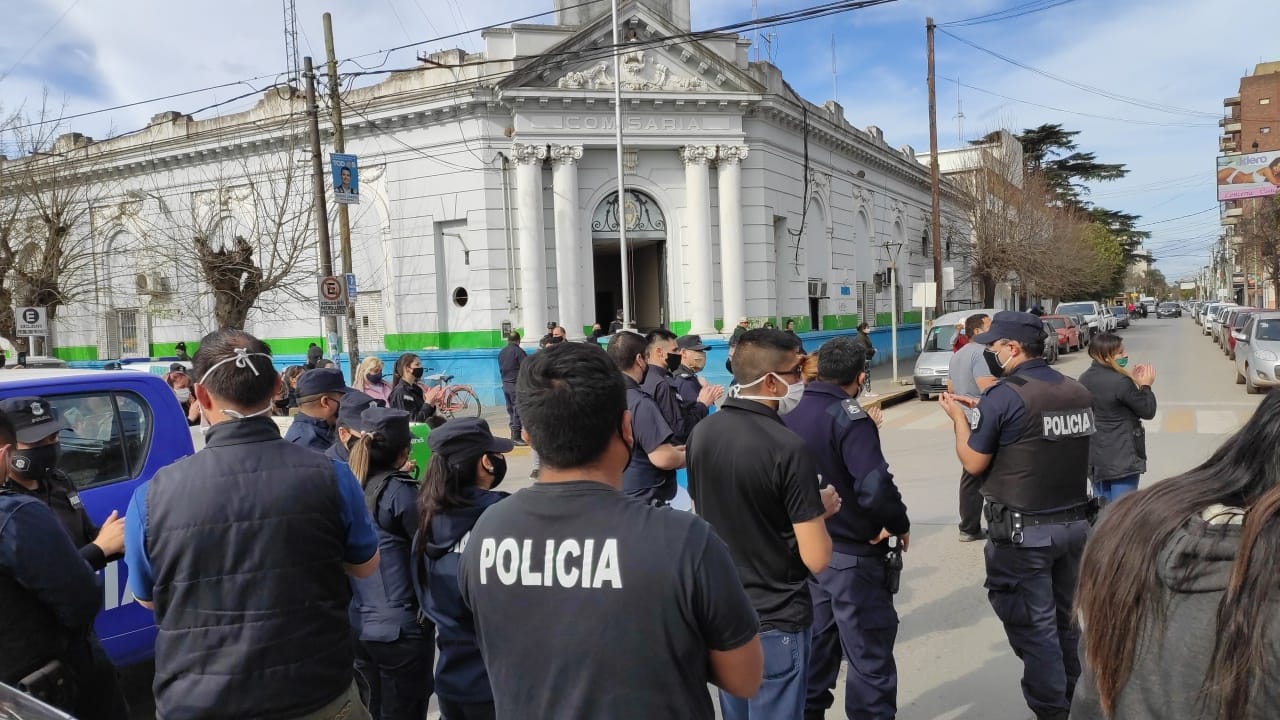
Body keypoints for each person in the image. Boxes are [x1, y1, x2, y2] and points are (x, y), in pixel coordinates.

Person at [458, 342, 764, 718]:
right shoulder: (684, 541)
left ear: (531, 437)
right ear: (626, 428)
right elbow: (745, 678)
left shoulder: (487, 532)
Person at [125, 329, 381, 720]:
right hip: (314, 694)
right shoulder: (332, 475)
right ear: (278, 388)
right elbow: (365, 565)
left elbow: (146, 597)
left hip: (198, 699)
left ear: (202, 396)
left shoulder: (152, 496)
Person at [1071, 391, 1280, 720]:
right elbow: (1147, 409)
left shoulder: (1125, 529)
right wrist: (1142, 388)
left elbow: (1090, 696)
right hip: (1123, 462)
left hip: (1104, 468)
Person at [937, 311, 1095, 720]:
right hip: (1075, 527)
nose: (990, 352)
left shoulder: (1005, 395)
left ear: (1012, 348)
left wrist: (959, 420)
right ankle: (1076, 702)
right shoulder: (1075, 389)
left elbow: (973, 462)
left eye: (995, 347)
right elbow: (1032, 433)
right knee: (1066, 624)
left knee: (1036, 629)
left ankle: (1051, 711)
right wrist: (986, 408)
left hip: (1026, 538)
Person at [687, 328, 842, 720]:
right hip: (775, 616)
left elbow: (710, 508)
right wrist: (816, 509)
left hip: (723, 613)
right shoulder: (785, 447)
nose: (802, 381)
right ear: (771, 381)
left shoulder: (703, 432)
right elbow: (818, 557)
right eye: (797, 372)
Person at [785, 336, 909, 720]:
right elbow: (874, 486)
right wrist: (896, 523)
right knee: (869, 661)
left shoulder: (788, 410)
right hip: (853, 557)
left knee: (815, 659)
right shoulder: (848, 416)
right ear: (860, 376)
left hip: (804, 553)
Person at [0, 411, 126, 720]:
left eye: (55, 438)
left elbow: (84, 532)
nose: (51, 447)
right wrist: (97, 551)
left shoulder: (58, 481)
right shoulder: (16, 514)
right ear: (8, 452)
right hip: (40, 674)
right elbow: (79, 596)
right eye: (39, 441)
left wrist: (106, 542)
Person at [415, 417, 514, 720]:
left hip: (450, 677)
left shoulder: (428, 521)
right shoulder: (504, 517)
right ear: (486, 462)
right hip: (496, 681)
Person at [346, 407, 434, 720]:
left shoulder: (348, 484)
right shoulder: (400, 492)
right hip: (399, 627)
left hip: (359, 622)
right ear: (404, 452)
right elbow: (429, 550)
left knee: (373, 708)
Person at [606, 331, 685, 504]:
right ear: (640, 360)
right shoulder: (640, 403)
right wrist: (691, 456)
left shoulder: (601, 396)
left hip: (612, 491)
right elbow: (662, 458)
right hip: (643, 499)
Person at [1078, 333, 1157, 505]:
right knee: (1122, 511)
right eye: (1120, 353)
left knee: (1100, 508)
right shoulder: (1120, 382)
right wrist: (1145, 386)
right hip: (1122, 458)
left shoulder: (1084, 378)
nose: (1125, 355)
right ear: (1106, 357)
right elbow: (1147, 410)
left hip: (1096, 456)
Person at [948, 312, 995, 542]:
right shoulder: (981, 353)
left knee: (970, 473)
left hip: (963, 418)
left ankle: (969, 527)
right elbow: (987, 387)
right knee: (988, 470)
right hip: (979, 417)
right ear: (977, 331)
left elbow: (950, 387)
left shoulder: (958, 354)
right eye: (989, 325)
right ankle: (982, 525)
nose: (993, 329)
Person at [285, 367, 355, 453]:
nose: (346, 403)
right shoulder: (309, 445)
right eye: (343, 398)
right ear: (325, 402)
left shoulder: (324, 427)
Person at [671, 334, 724, 433]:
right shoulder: (685, 382)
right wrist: (709, 400)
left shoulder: (690, 377)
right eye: (697, 351)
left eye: (702, 351)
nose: (702, 354)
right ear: (683, 352)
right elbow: (699, 416)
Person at [326, 390, 382, 464]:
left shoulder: (383, 457)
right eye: (367, 433)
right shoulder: (329, 467)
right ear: (343, 434)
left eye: (380, 429)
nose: (374, 436)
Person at [387, 353, 437, 423]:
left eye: (420, 364)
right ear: (407, 368)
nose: (420, 367)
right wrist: (428, 403)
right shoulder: (401, 392)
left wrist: (432, 403)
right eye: (417, 365)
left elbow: (425, 415)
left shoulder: (416, 388)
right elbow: (413, 421)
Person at [497, 332, 528, 445]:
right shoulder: (519, 352)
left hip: (505, 384)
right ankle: (516, 436)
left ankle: (513, 434)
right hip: (516, 385)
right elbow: (526, 368)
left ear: (508, 340)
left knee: (511, 410)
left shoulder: (502, 352)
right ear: (518, 340)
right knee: (517, 410)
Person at [854, 322, 877, 397]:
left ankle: (865, 391)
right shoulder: (861, 337)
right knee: (866, 375)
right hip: (864, 358)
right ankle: (868, 391)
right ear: (863, 329)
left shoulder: (864, 336)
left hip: (865, 358)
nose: (869, 329)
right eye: (867, 327)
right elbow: (864, 349)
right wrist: (873, 350)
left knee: (864, 375)